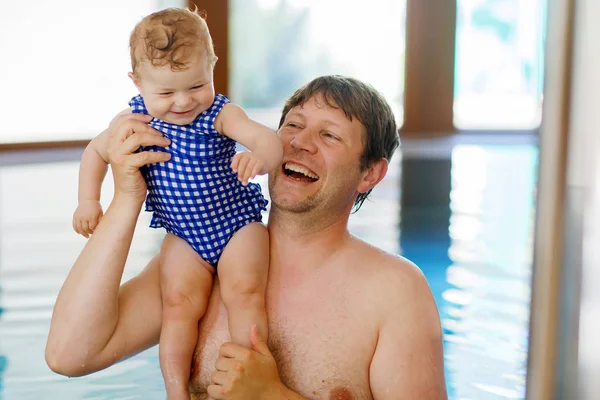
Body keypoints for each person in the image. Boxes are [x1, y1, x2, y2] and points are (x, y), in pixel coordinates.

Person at [47, 75, 447, 399]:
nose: (300, 143)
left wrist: (273, 395)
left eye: (330, 136)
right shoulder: (205, 266)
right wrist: (127, 198)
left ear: (369, 174)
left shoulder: (394, 292)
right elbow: (69, 354)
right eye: (293, 125)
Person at [69, 8, 282, 399]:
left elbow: (267, 139)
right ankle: (175, 390)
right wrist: (88, 200)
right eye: (166, 93)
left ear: (212, 66)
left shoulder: (219, 113)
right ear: (136, 82)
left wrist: (261, 159)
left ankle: (249, 375)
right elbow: (94, 153)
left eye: (197, 85)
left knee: (246, 290)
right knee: (178, 306)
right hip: (183, 235)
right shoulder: (134, 120)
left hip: (237, 225)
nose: (184, 102)